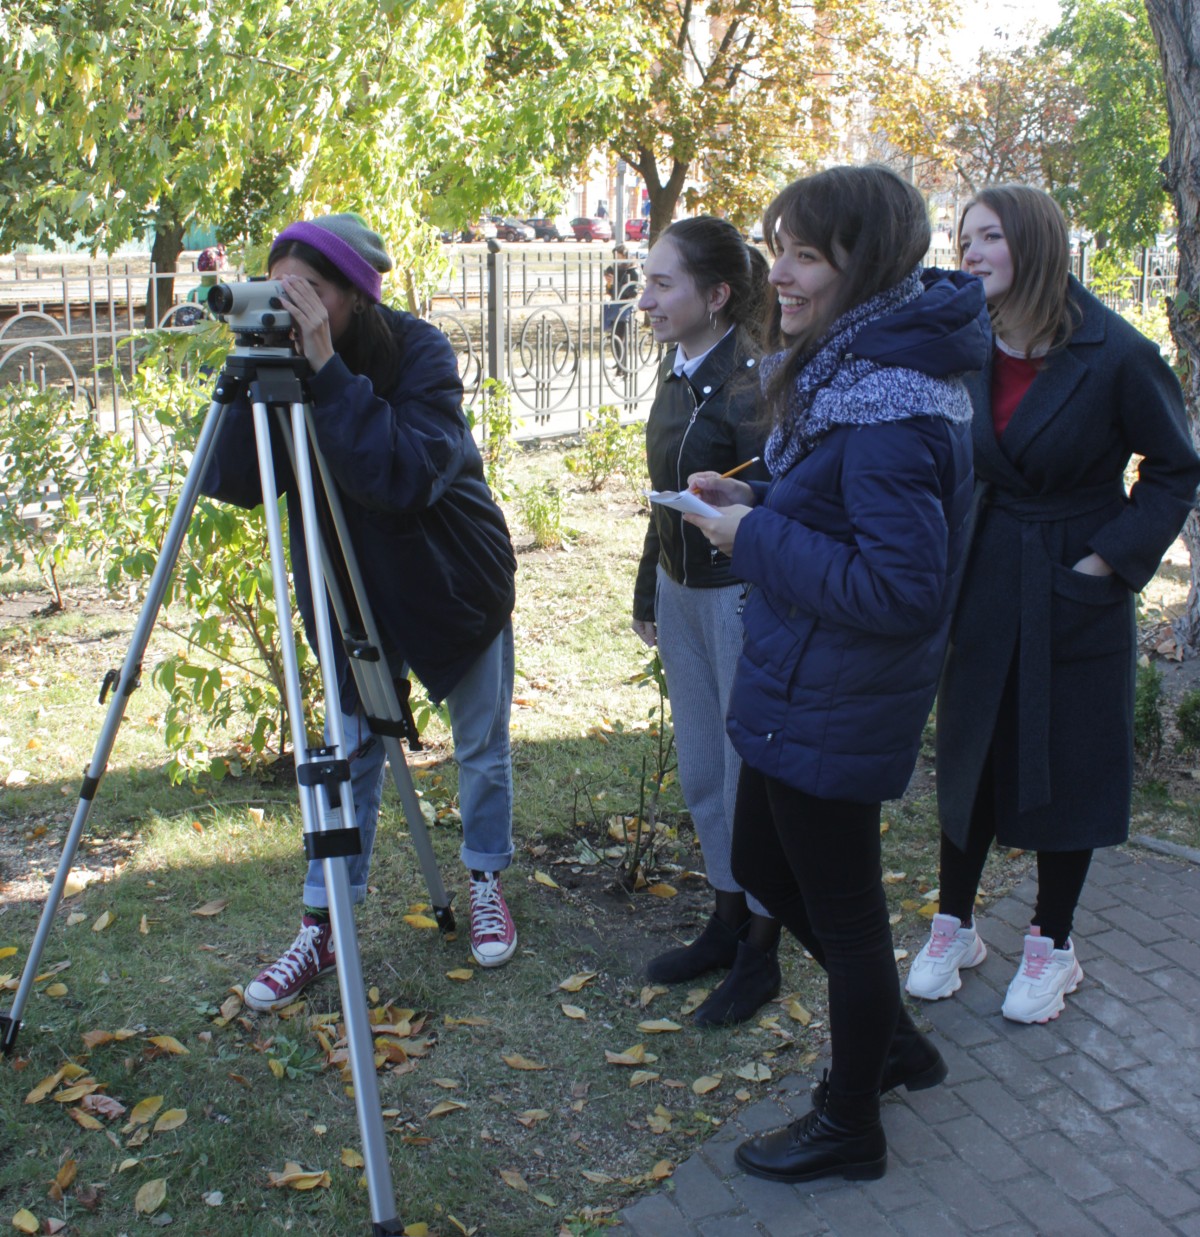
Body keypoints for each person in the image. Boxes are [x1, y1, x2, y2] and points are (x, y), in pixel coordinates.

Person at [685, 165, 988, 1182]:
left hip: (839, 697)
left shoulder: (890, 405)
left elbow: (902, 589)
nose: (780, 273)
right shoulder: (860, 370)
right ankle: (891, 1041)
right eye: (779, 248)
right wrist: (754, 496)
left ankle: (850, 1120)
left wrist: (753, 538)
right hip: (803, 684)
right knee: (767, 868)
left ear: (869, 266)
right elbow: (840, 502)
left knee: (849, 924)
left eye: (806, 254)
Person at [201, 214, 519, 1012]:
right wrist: (254, 365)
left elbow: (401, 474)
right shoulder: (283, 358)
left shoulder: (419, 352)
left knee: (480, 745)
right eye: (278, 288)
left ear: (355, 297)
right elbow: (234, 480)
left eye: (308, 291)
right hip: (348, 585)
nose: (292, 306)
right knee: (347, 756)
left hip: (453, 578)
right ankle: (324, 921)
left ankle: (486, 879)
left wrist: (328, 371)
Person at [906, 186, 1200, 1024]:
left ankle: (1053, 942)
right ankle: (954, 923)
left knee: (1068, 759)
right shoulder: (968, 340)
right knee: (970, 748)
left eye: (989, 237)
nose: (969, 252)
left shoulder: (1116, 351)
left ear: (1034, 244)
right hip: (984, 568)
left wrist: (1108, 559)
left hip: (1073, 581)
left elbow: (1176, 467)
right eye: (964, 237)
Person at [631, 217, 774, 1026]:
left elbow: (773, 496)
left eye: (662, 284)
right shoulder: (678, 369)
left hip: (737, 594)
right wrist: (648, 591)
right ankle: (726, 919)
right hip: (681, 591)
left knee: (748, 775)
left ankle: (762, 949)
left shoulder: (753, 383)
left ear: (716, 295)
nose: (643, 300)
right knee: (701, 770)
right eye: (644, 281)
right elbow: (666, 490)